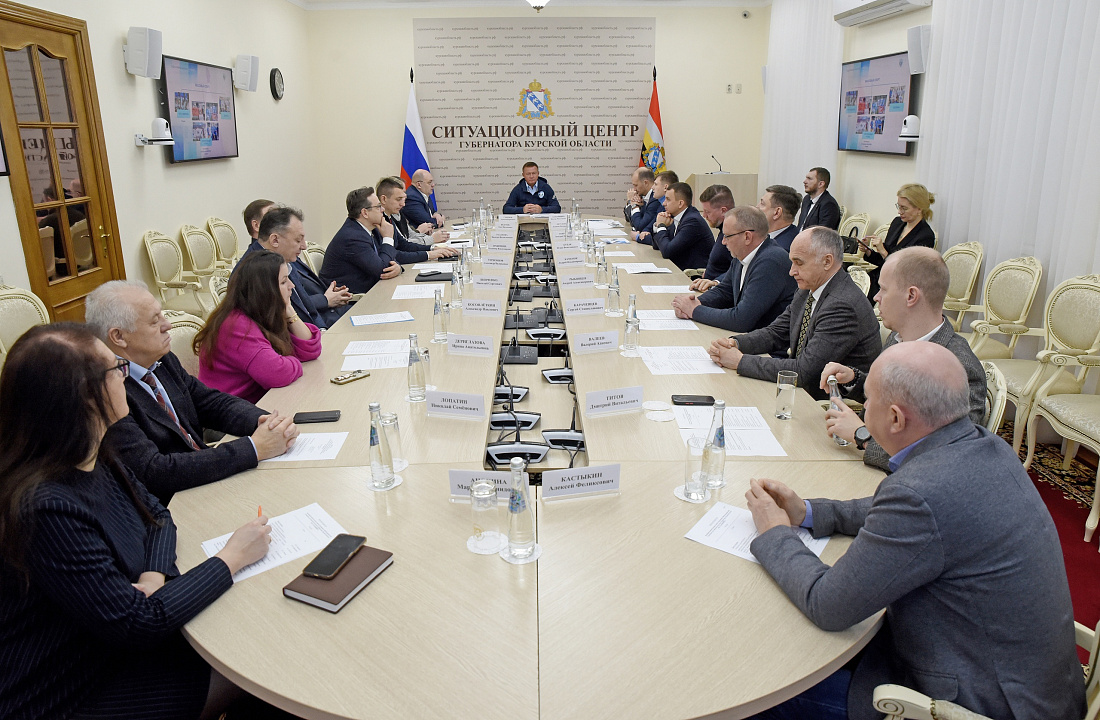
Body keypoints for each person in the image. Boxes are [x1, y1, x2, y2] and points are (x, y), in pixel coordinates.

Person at [744, 342, 1084, 720]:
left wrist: (775, 532)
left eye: (867, 400)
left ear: (895, 418)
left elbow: (827, 605)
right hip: (1037, 687)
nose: (862, 410)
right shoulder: (985, 446)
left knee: (757, 685)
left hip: (976, 702)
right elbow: (906, 509)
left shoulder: (920, 492)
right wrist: (807, 512)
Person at [0, 323, 273, 720]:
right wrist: (231, 558)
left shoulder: (91, 452)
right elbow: (138, 623)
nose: (126, 377)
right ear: (85, 396)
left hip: (114, 646)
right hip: (69, 691)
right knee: (256, 660)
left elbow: (157, 515)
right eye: (117, 369)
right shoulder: (44, 508)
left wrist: (152, 577)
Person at [86, 280, 299, 505]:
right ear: (119, 337)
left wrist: (264, 422)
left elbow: (209, 402)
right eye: (155, 321)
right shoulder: (106, 391)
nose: (168, 325)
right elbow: (154, 471)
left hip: (206, 477)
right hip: (173, 503)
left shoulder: (161, 359)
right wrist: (254, 448)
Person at [820, 247, 986, 472]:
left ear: (911, 296)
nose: (876, 297)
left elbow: (948, 458)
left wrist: (862, 435)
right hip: (860, 462)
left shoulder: (958, 366)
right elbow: (896, 396)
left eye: (883, 289)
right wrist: (854, 379)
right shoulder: (898, 337)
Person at [708, 227, 881, 400]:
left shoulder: (842, 306)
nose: (792, 271)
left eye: (799, 263)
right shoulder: (809, 289)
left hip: (823, 402)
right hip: (800, 392)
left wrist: (739, 361)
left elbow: (804, 371)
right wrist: (735, 343)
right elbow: (776, 333)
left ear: (827, 261)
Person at [195, 250, 323, 404]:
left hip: (258, 403)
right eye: (283, 282)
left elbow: (311, 350)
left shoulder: (263, 313)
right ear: (265, 290)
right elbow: (277, 374)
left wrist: (289, 311)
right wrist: (293, 359)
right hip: (230, 412)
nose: (292, 285)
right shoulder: (235, 325)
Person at [672, 207, 796, 333]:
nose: (723, 242)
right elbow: (724, 291)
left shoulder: (771, 261)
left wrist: (694, 310)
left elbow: (741, 320)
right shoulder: (742, 255)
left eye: (727, 236)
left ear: (747, 237)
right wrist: (694, 302)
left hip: (767, 342)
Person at [243, 205, 353, 329]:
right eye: (298, 240)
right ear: (275, 240)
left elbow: (309, 310)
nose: (304, 246)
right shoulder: (254, 271)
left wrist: (321, 331)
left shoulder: (284, 259)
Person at [320, 186, 403, 294]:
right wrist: (388, 238)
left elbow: (388, 258)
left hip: (372, 290)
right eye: (378, 207)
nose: (383, 210)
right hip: (351, 299)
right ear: (365, 213)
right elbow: (382, 270)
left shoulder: (371, 229)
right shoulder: (353, 237)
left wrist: (398, 268)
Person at [863, 183, 937, 299]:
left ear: (919, 209)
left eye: (904, 208)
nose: (899, 212)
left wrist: (883, 251)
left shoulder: (925, 236)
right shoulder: (897, 223)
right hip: (879, 278)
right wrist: (868, 252)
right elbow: (883, 261)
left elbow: (906, 272)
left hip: (897, 287)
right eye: (899, 206)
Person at [376, 176, 459, 262]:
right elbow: (394, 253)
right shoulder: (379, 221)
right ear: (384, 199)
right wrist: (429, 254)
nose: (403, 204)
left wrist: (432, 248)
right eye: (398, 199)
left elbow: (404, 245)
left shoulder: (389, 217)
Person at [651, 182, 714, 271]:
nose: (664, 203)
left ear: (680, 203)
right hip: (679, 269)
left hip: (693, 275)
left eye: (668, 199)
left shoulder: (692, 221)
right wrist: (658, 226)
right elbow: (657, 246)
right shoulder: (675, 216)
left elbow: (667, 252)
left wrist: (661, 226)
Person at [697, 184, 734, 281]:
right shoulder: (722, 229)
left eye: (707, 212)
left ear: (723, 211)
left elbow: (739, 269)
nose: (704, 215)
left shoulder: (735, 235)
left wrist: (717, 281)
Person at [635, 170, 678, 245]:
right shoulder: (660, 204)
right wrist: (645, 231)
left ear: (665, 187)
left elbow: (664, 239)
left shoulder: (671, 208)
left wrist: (638, 237)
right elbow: (652, 224)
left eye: (655, 184)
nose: (652, 187)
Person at [624, 167, 663, 241]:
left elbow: (639, 226)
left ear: (646, 183)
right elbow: (629, 219)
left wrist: (634, 206)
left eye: (636, 185)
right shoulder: (642, 195)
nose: (634, 189)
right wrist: (630, 202)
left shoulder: (655, 199)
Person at [796, 167, 841, 231]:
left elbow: (823, 232)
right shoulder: (807, 199)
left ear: (821, 184)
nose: (805, 181)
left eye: (809, 179)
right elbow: (801, 225)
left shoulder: (829, 205)